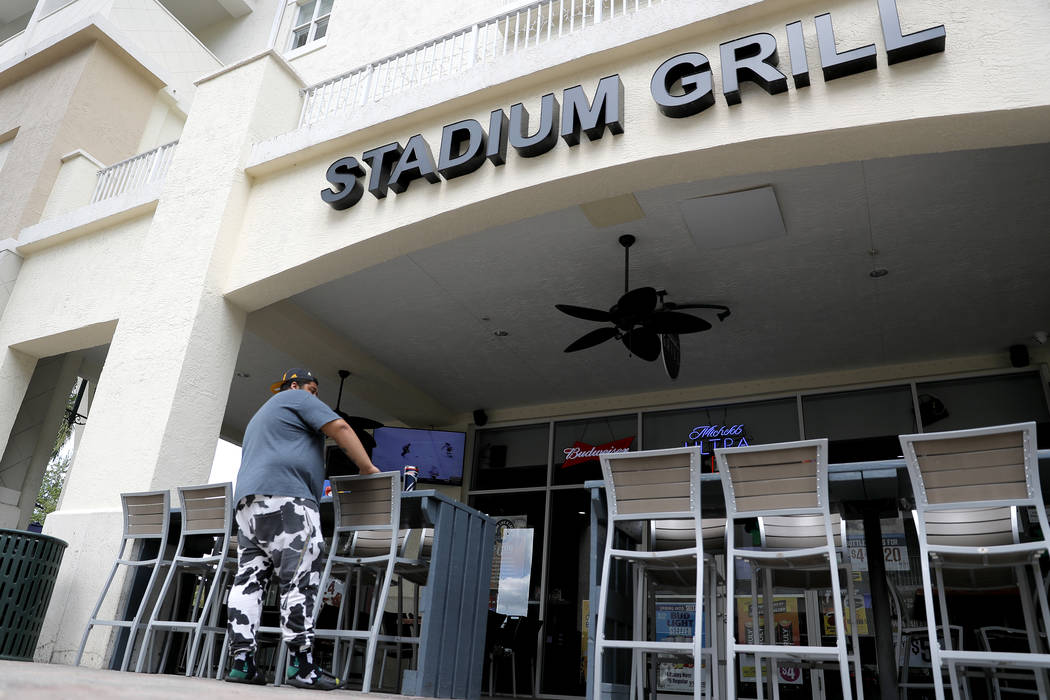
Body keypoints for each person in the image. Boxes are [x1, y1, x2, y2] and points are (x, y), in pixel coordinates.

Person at [224, 368, 380, 690]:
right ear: (294, 386)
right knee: (300, 580)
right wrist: (368, 468)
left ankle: (242, 663)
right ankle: (303, 666)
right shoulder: (294, 397)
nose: (315, 397)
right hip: (287, 500)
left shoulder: (260, 418)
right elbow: (340, 426)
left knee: (248, 582)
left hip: (249, 506)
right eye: (313, 389)